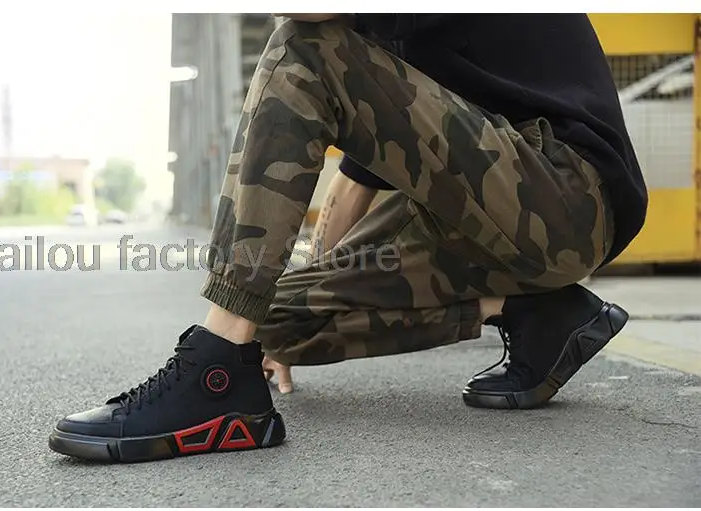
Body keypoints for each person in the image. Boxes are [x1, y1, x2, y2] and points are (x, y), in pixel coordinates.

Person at [49, 13, 647, 463]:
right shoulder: (396, 59)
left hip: (563, 194)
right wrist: (314, 292)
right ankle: (534, 312)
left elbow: (306, 23)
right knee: (273, 323)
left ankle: (216, 370)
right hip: (493, 213)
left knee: (299, 45)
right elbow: (350, 190)